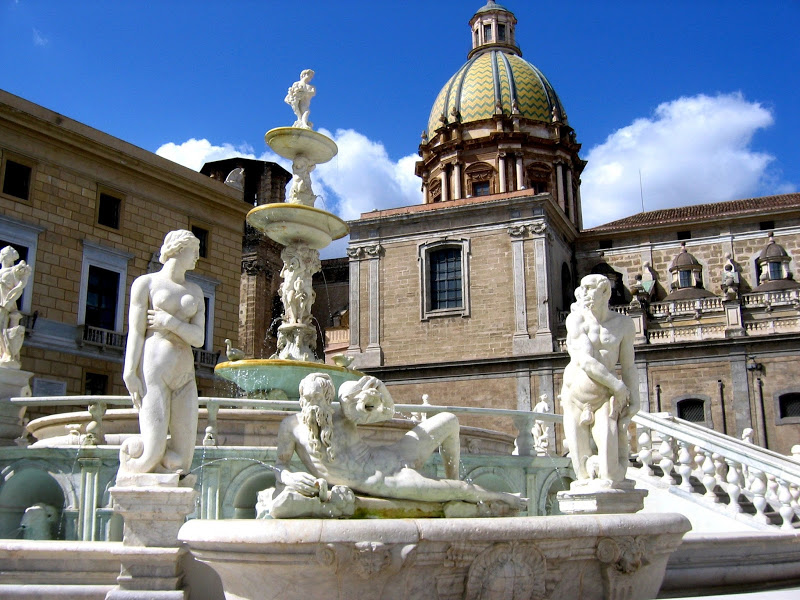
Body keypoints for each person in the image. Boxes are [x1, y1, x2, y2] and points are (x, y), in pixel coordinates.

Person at [272, 373, 525, 512]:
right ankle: (504, 498)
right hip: (384, 481)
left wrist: (381, 391)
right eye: (307, 399)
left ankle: (455, 496)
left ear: (329, 397)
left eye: (319, 398)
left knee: (450, 421)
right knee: (462, 489)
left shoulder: (344, 413)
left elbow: (388, 413)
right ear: (301, 398)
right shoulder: (291, 427)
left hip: (389, 455)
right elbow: (279, 465)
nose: (313, 405)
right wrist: (289, 478)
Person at [119, 230, 205, 475]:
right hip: (153, 370)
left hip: (185, 372)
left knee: (183, 460)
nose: (198, 257)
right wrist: (129, 371)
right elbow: (135, 331)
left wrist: (168, 321)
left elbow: (198, 339)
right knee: (151, 453)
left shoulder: (196, 291)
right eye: (194, 251)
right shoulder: (146, 284)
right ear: (178, 249)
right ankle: (133, 462)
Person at [560, 274, 640, 486]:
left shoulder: (623, 324)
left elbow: (629, 365)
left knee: (610, 474)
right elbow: (586, 361)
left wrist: (636, 400)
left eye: (588, 288)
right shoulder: (576, 320)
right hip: (575, 399)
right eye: (582, 288)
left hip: (604, 398)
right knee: (581, 476)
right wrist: (619, 386)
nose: (583, 293)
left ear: (605, 291)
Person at [0, 246, 31, 366]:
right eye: (3, 254)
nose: (3, 257)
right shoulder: (1, 271)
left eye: (5, 255)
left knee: (2, 329)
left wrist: (10, 300)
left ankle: (8, 354)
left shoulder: (14, 271)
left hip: (6, 304)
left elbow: (20, 287)